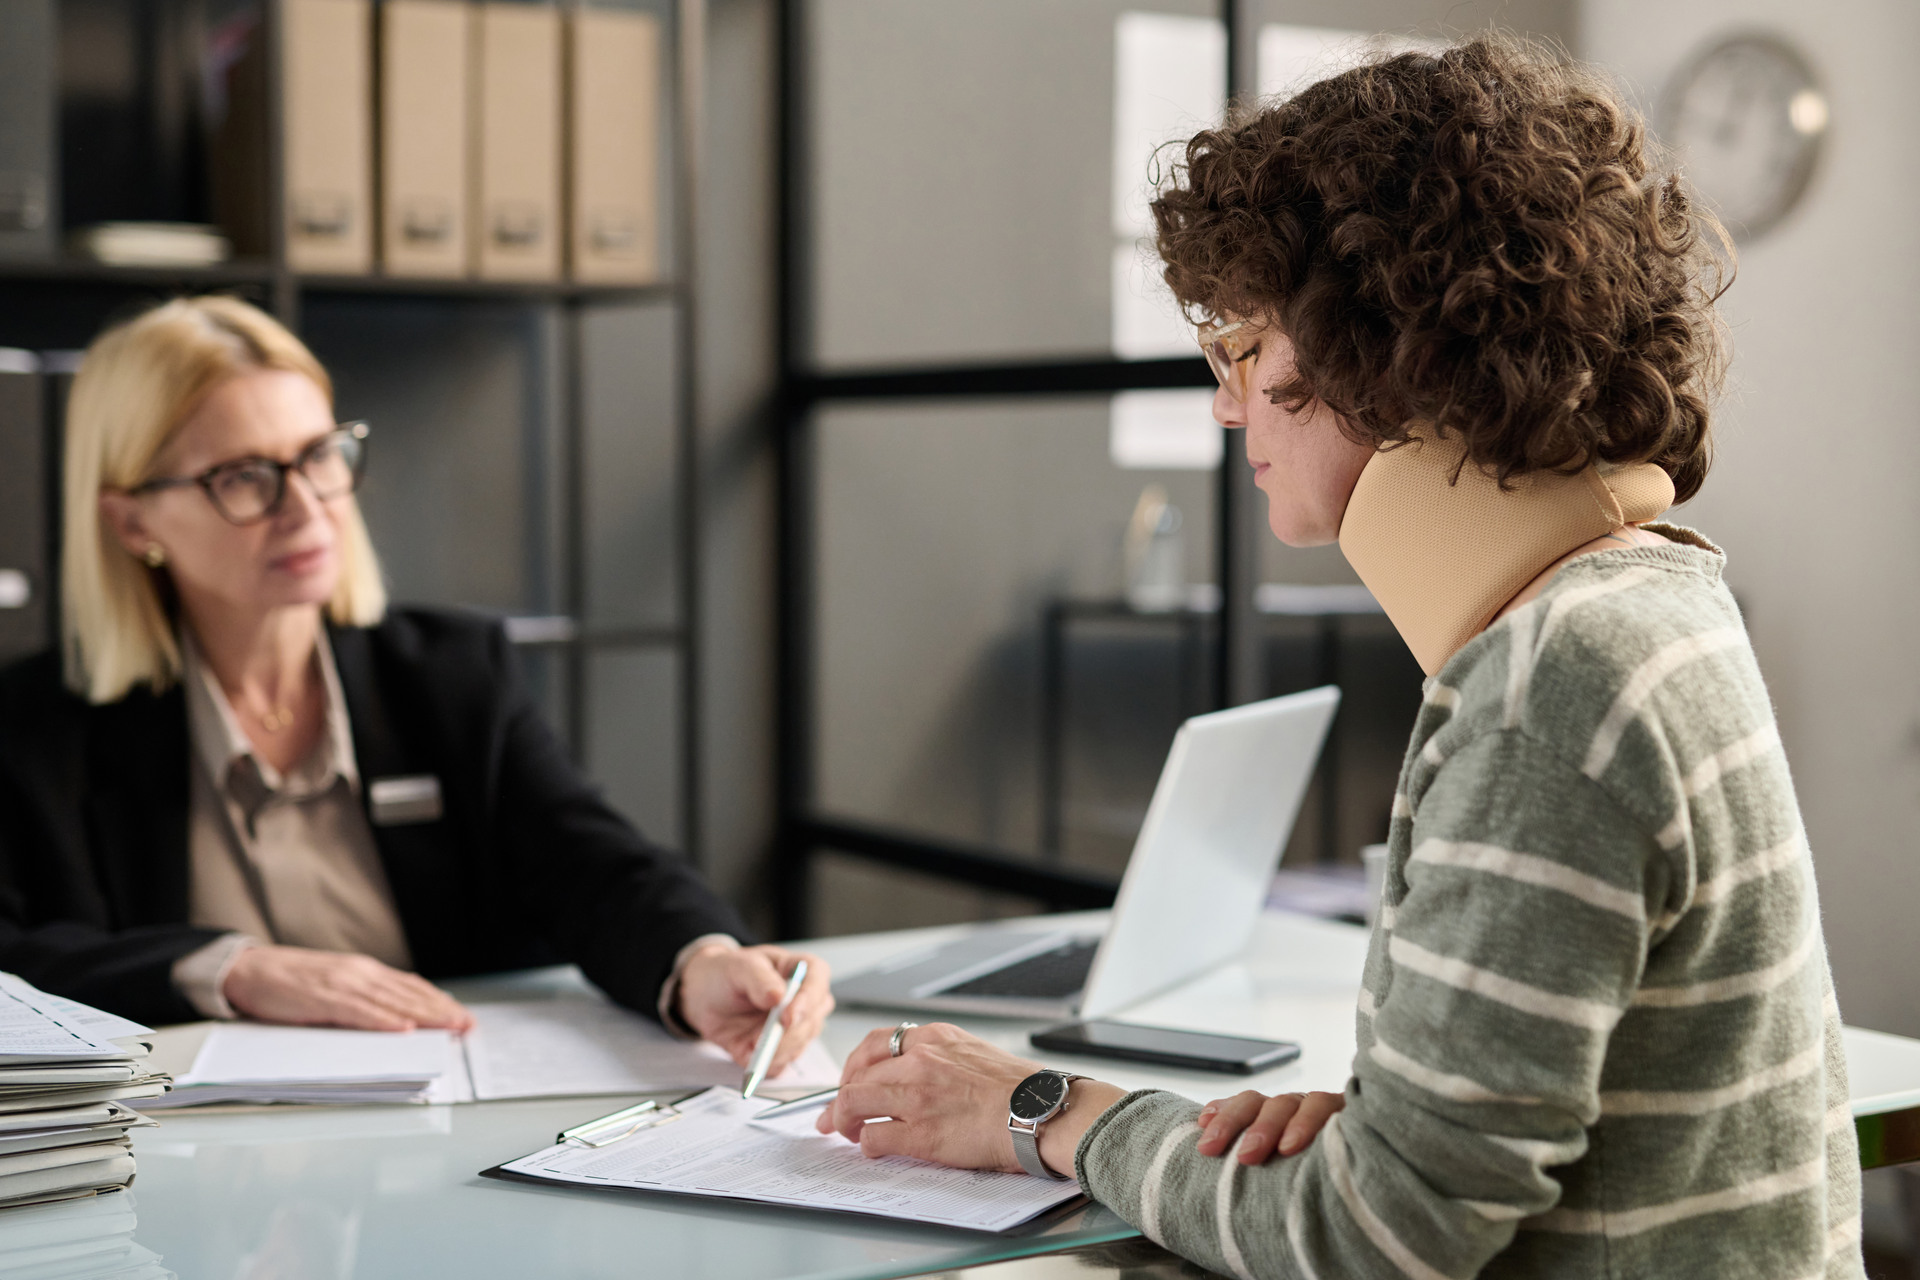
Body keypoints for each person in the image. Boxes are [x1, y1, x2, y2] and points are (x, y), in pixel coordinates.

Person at [821, 35, 1865, 1279]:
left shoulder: (1550, 682)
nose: (1228, 403)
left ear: (1385, 349)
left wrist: (1045, 1112)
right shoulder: (1659, 595)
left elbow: (1374, 1242)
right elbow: (1456, 1183)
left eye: (1249, 349)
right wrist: (1391, 1144)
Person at [0, 295, 830, 1076]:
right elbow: (14, 959)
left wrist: (702, 963)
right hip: (175, 1162)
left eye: (319, 456)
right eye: (244, 477)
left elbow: (592, 866)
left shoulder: (449, 673)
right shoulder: (36, 730)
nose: (307, 508)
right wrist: (230, 970)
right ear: (132, 521)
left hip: (437, 1142)